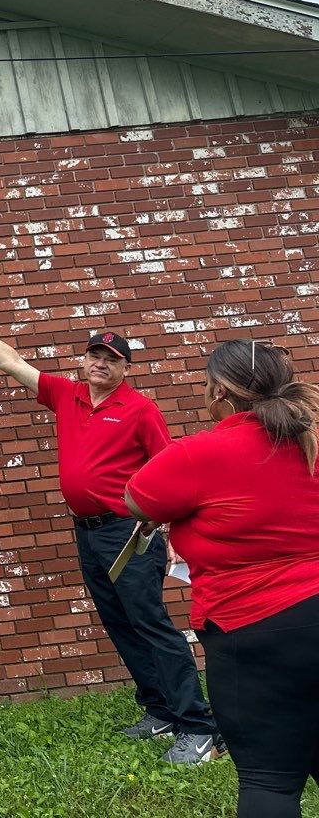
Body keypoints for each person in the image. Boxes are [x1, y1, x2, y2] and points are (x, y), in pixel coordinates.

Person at [0, 306, 219, 764]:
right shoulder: (66, 395)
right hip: (88, 533)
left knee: (150, 624)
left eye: (111, 359)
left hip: (129, 532)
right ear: (84, 359)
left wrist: (171, 528)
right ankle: (160, 711)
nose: (101, 364)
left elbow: (169, 469)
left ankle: (198, 726)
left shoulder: (140, 410)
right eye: (95, 355)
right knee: (119, 622)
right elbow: (11, 362)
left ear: (125, 368)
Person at [126, 340, 319, 816]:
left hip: (253, 628)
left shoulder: (199, 453)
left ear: (219, 392)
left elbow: (137, 500)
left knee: (269, 781)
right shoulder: (311, 441)